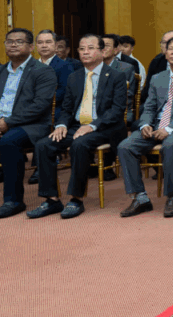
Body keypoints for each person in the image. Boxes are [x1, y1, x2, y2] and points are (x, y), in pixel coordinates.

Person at [28, 34, 128, 219]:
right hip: (76, 125)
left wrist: (93, 126)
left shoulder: (116, 76)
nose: (85, 52)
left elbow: (117, 110)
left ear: (102, 51)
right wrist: (61, 124)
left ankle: (76, 199)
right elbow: (66, 108)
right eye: (82, 49)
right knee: (43, 145)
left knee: (79, 144)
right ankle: (51, 199)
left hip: (105, 127)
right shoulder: (74, 77)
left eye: (90, 48)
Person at [117, 37, 173, 218]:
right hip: (156, 126)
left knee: (170, 145)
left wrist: (169, 128)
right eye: (170, 48)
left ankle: (172, 196)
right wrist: (145, 124)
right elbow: (149, 107)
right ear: (165, 53)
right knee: (125, 146)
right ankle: (140, 198)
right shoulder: (158, 78)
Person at [0, 29, 56, 218]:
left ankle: (13, 201)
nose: (13, 44)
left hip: (31, 126)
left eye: (19, 41)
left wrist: (8, 122)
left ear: (31, 47)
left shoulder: (43, 71)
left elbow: (40, 105)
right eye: (10, 41)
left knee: (9, 142)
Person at [34, 29, 76, 125]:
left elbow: (64, 93)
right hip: (31, 111)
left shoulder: (65, 66)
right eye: (40, 42)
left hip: (54, 112)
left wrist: (38, 102)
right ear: (36, 46)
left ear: (56, 45)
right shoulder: (31, 66)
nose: (44, 46)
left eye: (48, 42)